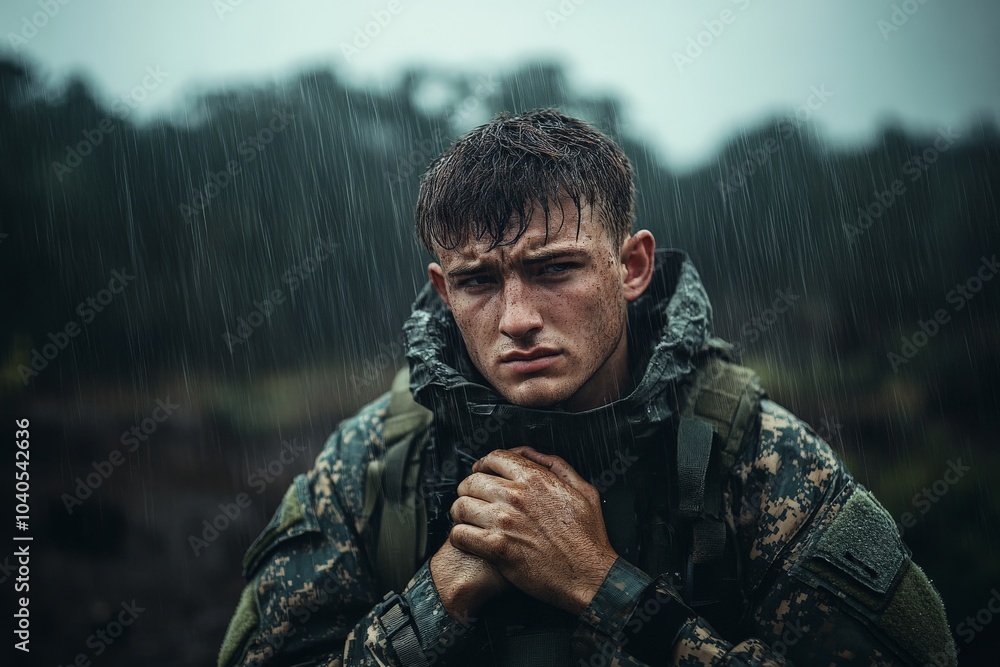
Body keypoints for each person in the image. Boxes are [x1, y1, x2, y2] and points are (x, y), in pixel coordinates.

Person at [218, 109, 957, 666]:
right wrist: (435, 595)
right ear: (442, 292)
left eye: (555, 269)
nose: (517, 320)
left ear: (630, 267)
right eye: (478, 281)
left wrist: (605, 587)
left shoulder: (755, 458)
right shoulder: (374, 464)